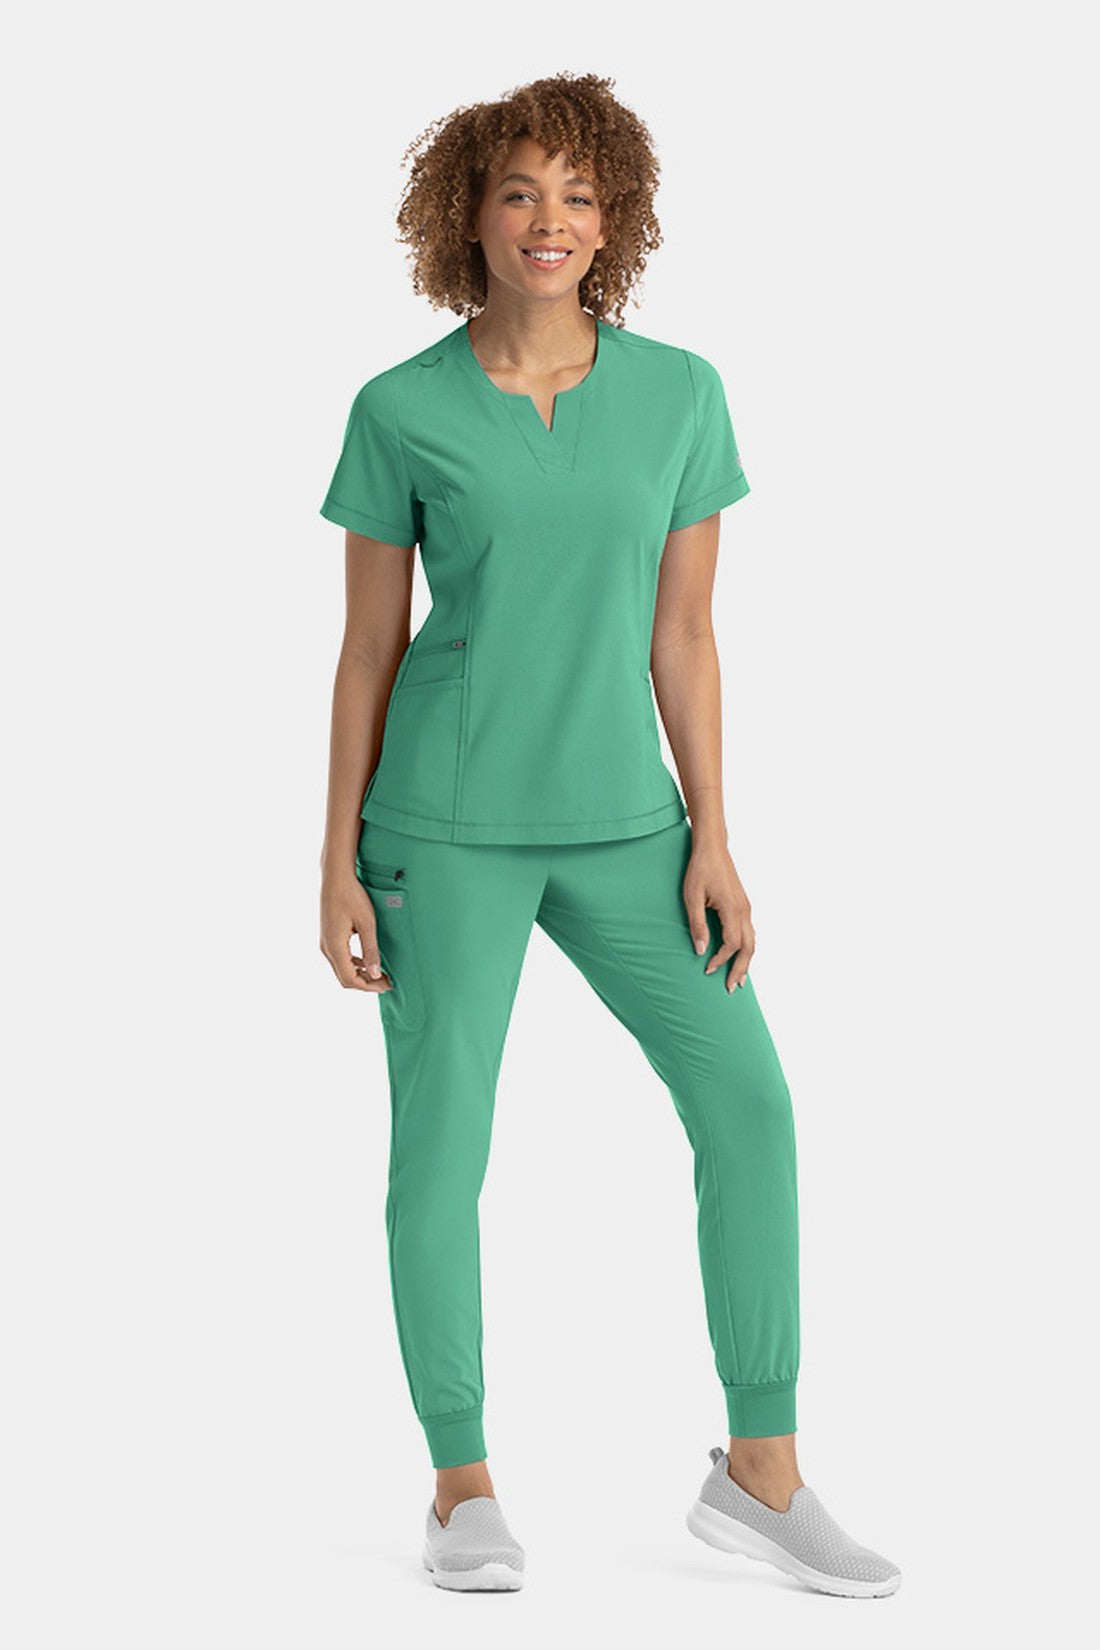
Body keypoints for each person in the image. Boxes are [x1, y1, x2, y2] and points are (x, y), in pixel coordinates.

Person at [318, 71, 900, 1599]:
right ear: (468, 213)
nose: (550, 220)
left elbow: (685, 634)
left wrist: (714, 833)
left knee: (751, 1105)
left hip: (630, 826)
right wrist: (334, 861)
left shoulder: (682, 394)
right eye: (519, 191)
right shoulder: (400, 409)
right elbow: (368, 648)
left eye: (579, 195)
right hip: (442, 827)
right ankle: (462, 1484)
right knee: (442, 1152)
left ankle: (761, 1471)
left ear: (615, 219)